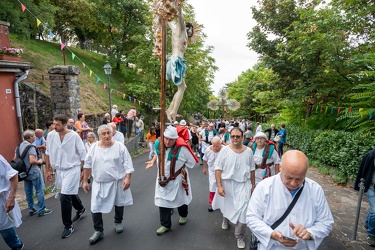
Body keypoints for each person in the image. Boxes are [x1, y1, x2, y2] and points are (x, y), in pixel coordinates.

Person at [246, 150, 334, 250]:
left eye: (299, 179)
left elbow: (326, 222)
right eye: (289, 177)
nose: (293, 183)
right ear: (280, 168)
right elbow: (252, 217)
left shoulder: (315, 190)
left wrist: (310, 233)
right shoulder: (264, 187)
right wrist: (271, 234)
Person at [82, 124, 134, 245]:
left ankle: (118, 222)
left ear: (112, 133)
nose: (106, 135)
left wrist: (128, 178)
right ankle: (98, 230)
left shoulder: (120, 147)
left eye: (108, 133)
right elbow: (87, 165)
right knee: (95, 207)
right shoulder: (94, 147)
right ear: (99, 135)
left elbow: (128, 163)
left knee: (119, 203)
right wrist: (84, 180)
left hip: (117, 181)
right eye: (103, 133)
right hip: (99, 183)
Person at [145, 126, 198, 236]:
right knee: (162, 201)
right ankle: (165, 224)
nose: (167, 142)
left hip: (177, 179)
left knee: (180, 199)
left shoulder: (182, 148)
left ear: (175, 139)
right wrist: (153, 161)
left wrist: (181, 166)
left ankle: (183, 215)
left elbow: (192, 163)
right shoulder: (159, 144)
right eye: (166, 139)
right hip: (161, 179)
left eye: (171, 139)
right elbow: (157, 153)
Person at [212, 127, 255, 249]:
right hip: (227, 184)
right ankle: (225, 218)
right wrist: (219, 186)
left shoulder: (249, 151)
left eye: (238, 136)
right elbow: (218, 168)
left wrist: (253, 186)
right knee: (227, 207)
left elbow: (252, 169)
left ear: (242, 137)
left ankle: (239, 236)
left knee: (243, 211)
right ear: (230, 137)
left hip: (243, 184)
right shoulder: (224, 150)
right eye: (233, 136)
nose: (235, 138)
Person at [45, 114, 86, 239]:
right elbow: (47, 153)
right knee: (69, 192)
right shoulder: (51, 135)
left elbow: (83, 154)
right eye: (54, 123)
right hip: (59, 171)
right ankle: (80, 208)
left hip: (72, 169)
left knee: (64, 196)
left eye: (57, 124)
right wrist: (47, 170)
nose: (54, 126)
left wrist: (84, 171)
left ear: (64, 124)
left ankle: (68, 226)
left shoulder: (73, 136)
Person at [16, 130, 52, 217]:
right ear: (31, 137)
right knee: (39, 190)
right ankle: (41, 210)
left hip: (24, 173)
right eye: (34, 136)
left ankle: (31, 208)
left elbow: (15, 159)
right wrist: (39, 161)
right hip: (33, 171)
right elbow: (32, 160)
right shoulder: (31, 147)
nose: (35, 137)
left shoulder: (18, 146)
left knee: (28, 191)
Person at [165, 7, 188, 122]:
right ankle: (173, 111)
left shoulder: (174, 30)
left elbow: (168, 20)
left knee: (182, 87)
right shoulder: (181, 30)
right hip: (177, 61)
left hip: (171, 62)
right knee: (182, 87)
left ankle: (170, 109)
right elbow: (180, 18)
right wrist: (178, 6)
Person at [0, 154, 24, 250]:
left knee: (5, 230)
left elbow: (13, 176)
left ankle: (17, 246)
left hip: (1, 200)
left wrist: (11, 197)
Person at [354, 148, 375, 246]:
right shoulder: (371, 155)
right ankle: (371, 235)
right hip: (371, 186)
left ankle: (367, 222)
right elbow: (363, 169)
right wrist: (359, 185)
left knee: (373, 210)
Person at [202, 136, 223, 212]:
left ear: (220, 144)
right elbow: (205, 159)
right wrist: (204, 168)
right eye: (213, 145)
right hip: (212, 170)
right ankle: (211, 203)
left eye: (217, 146)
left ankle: (222, 203)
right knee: (213, 185)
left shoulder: (224, 150)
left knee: (222, 185)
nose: (214, 147)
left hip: (222, 171)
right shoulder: (208, 150)